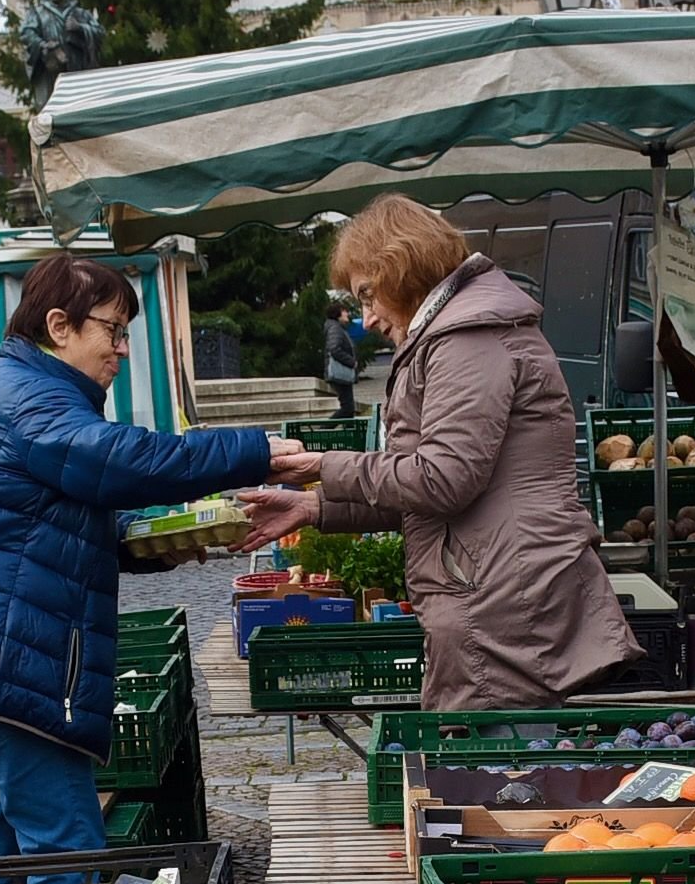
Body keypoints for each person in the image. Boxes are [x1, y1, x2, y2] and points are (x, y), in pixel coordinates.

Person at [0, 253, 306, 855]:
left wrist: (162, 542)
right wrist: (254, 452)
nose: (123, 349)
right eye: (113, 331)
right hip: (2, 664)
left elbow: (43, 520)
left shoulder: (16, 388)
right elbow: (124, 460)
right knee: (64, 849)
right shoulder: (32, 400)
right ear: (60, 326)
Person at [245, 196, 635, 706]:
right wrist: (314, 506)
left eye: (368, 294)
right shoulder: (453, 334)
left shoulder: (467, 339)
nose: (366, 319)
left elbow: (443, 479)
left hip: (501, 603)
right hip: (492, 593)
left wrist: (325, 466)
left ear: (401, 269)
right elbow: (430, 487)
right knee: (493, 769)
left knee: (500, 772)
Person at [321, 297, 362, 418]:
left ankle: (349, 433)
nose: (347, 314)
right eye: (344, 311)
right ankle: (323, 430)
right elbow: (334, 349)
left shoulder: (337, 328)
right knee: (347, 408)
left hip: (341, 374)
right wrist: (352, 362)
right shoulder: (335, 329)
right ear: (338, 314)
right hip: (339, 374)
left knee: (348, 408)